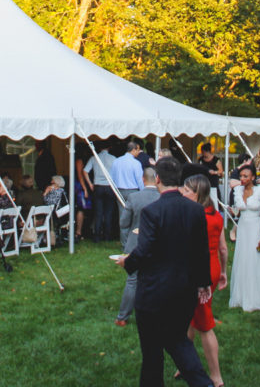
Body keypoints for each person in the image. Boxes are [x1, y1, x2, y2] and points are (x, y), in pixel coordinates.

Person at [117, 158, 213, 387]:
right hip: (184, 289)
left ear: (157, 179)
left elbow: (145, 249)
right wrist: (202, 283)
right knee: (179, 342)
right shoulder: (196, 210)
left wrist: (128, 262)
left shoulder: (152, 212)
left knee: (152, 352)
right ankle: (204, 383)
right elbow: (202, 251)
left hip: (153, 293)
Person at [180, 174, 227, 387]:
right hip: (214, 268)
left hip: (200, 273)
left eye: (187, 189)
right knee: (192, 317)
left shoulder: (196, 217)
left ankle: (216, 376)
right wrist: (224, 272)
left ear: (198, 193)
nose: (182, 191)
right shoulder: (216, 215)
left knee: (204, 323)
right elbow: (223, 249)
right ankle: (184, 364)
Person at [116, 167, 160, 326]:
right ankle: (155, 316)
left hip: (135, 242)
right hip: (157, 243)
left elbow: (123, 223)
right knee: (156, 279)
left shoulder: (134, 198)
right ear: (157, 179)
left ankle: (122, 317)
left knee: (132, 280)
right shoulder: (162, 197)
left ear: (143, 179)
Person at [228, 163, 260, 312]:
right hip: (243, 228)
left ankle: (256, 296)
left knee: (254, 259)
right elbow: (238, 211)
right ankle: (241, 294)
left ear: (253, 177)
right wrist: (233, 211)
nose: (242, 179)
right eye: (241, 176)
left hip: (256, 227)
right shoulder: (238, 190)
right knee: (242, 259)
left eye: (245, 176)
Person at [85, 142, 117, 242]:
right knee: (108, 212)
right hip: (109, 186)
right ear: (109, 147)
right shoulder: (113, 158)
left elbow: (85, 171)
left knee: (98, 213)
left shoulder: (94, 158)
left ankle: (97, 237)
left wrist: (90, 184)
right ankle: (107, 236)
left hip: (97, 186)